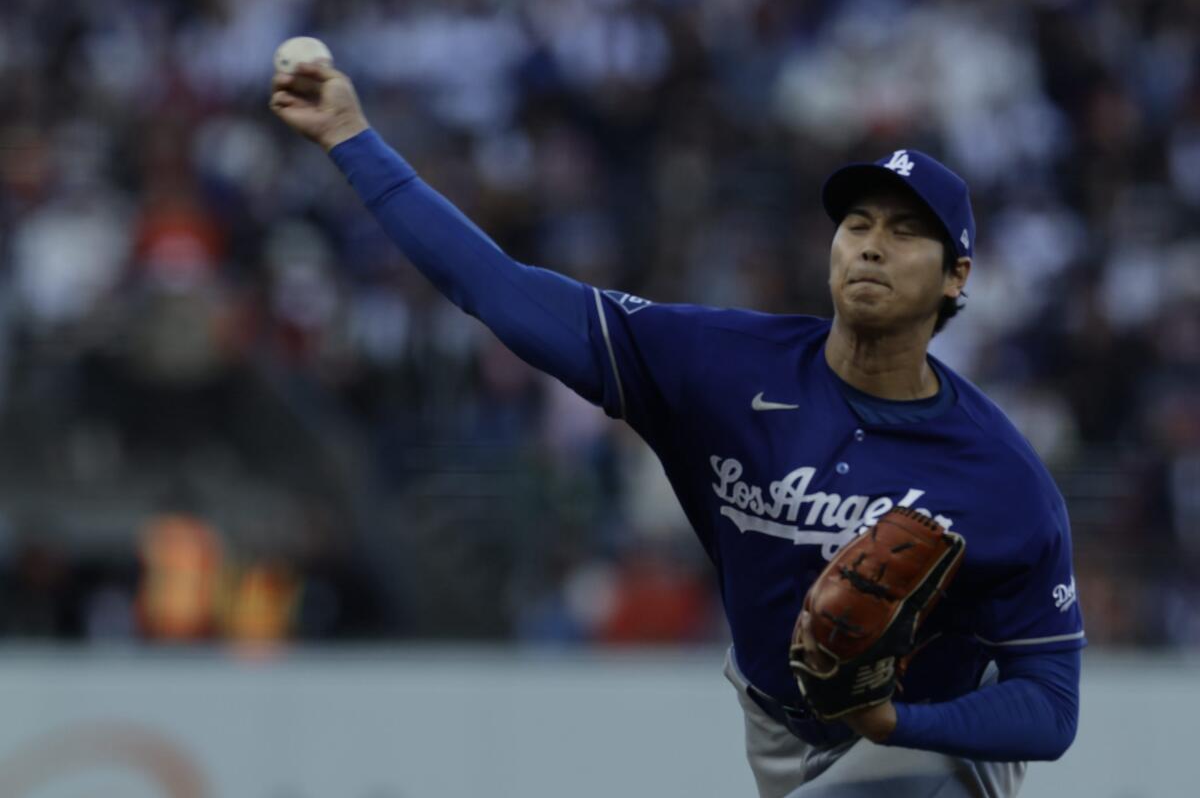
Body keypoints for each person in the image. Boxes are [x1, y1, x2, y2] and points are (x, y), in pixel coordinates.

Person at [270, 63, 1084, 797]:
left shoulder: (1001, 476)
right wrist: (351, 138)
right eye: (858, 224)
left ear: (957, 277)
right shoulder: (720, 365)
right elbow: (500, 290)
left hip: (933, 737)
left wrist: (896, 725)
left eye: (907, 231)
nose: (872, 245)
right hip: (777, 725)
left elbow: (1050, 705)